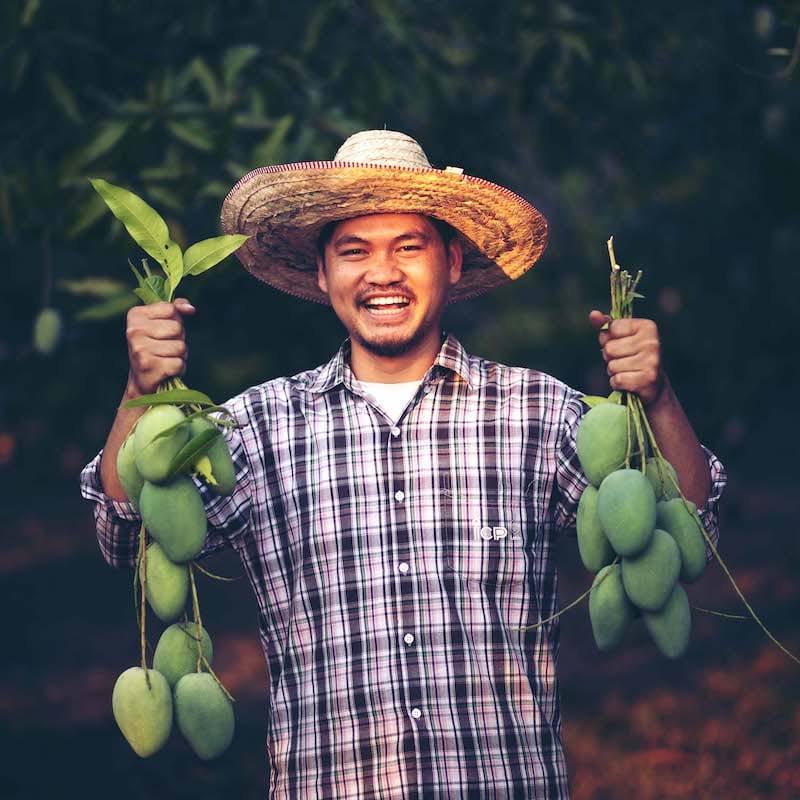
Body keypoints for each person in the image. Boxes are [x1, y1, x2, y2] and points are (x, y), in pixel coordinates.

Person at [81, 129, 726, 799]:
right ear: (322, 274)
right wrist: (140, 389)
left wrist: (656, 398)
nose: (381, 273)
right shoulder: (255, 428)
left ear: (450, 261)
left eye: (408, 247)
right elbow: (126, 535)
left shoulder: (538, 411)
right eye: (353, 251)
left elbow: (691, 538)